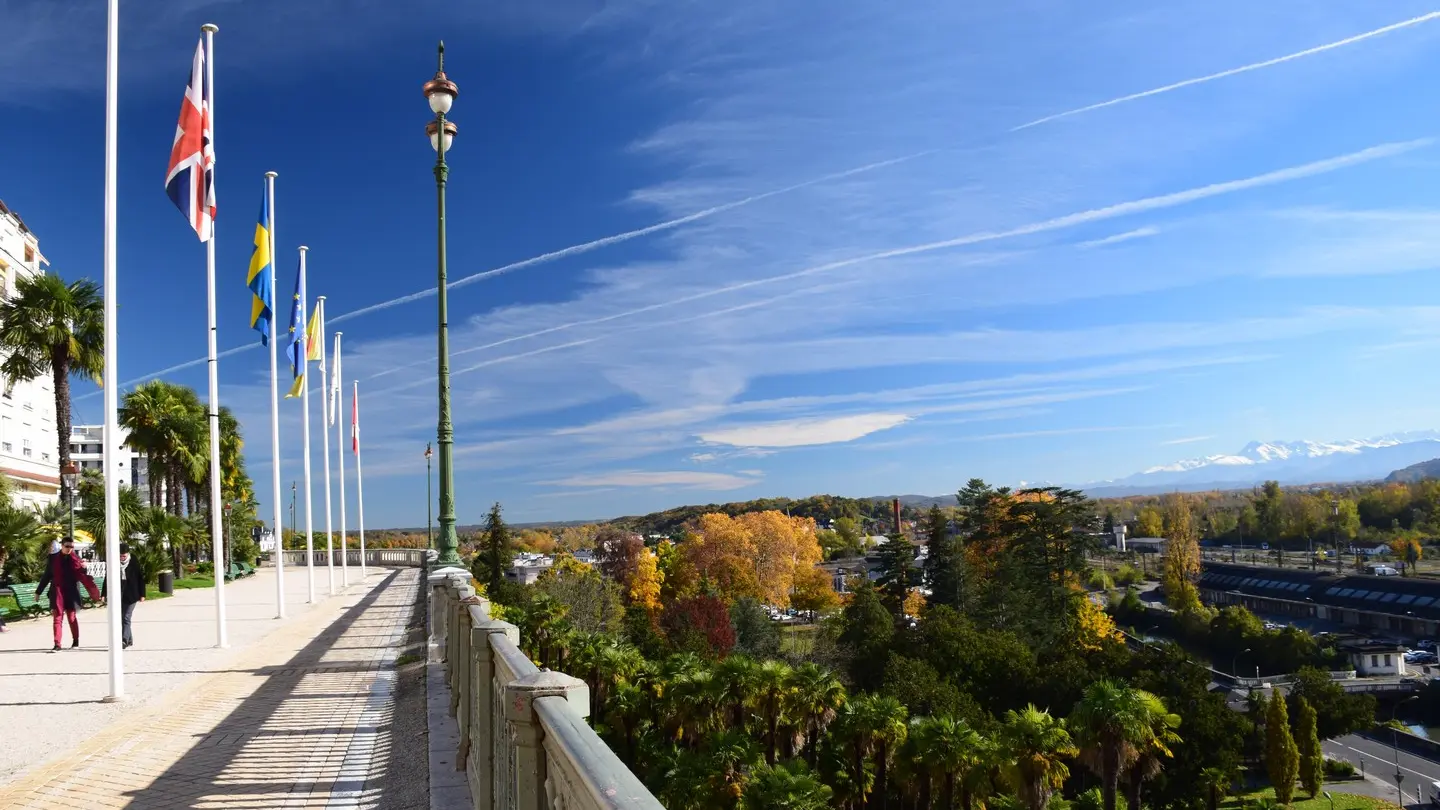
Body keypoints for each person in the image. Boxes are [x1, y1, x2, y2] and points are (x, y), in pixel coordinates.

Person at [35, 538, 100, 652]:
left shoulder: (76, 559)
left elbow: (81, 575)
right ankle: (57, 644)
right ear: (62, 545)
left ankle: (75, 641)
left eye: (71, 547)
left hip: (71, 592)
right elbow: (47, 576)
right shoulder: (53, 558)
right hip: (57, 591)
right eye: (67, 546)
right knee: (57, 618)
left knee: (71, 618)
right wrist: (38, 592)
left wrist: (84, 568)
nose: (69, 549)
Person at [113, 542, 145, 648]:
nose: (122, 558)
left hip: (132, 593)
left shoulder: (134, 561)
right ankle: (130, 639)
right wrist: (104, 593)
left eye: (124, 556)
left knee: (126, 617)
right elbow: (108, 577)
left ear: (128, 554)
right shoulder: (114, 562)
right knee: (122, 617)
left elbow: (140, 578)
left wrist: (142, 594)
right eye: (120, 556)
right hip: (119, 592)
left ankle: (124, 640)